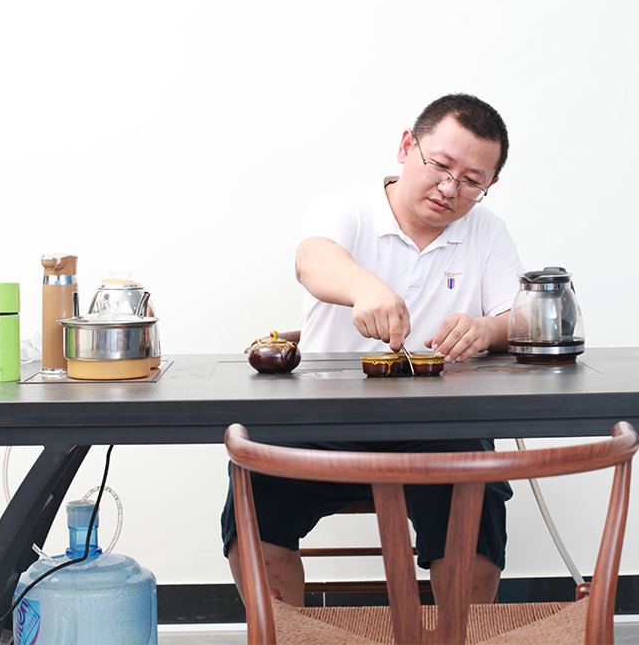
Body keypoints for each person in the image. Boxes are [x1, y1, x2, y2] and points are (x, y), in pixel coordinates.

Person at [221, 93, 524, 606]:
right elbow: (313, 259)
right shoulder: (346, 208)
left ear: (489, 185)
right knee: (255, 479)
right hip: (321, 420)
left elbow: (519, 319)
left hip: (438, 428)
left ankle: (460, 635)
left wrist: (486, 330)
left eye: (471, 181)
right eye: (440, 165)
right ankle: (288, 634)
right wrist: (365, 288)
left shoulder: (487, 231)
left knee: (478, 492)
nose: (449, 189)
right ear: (407, 147)